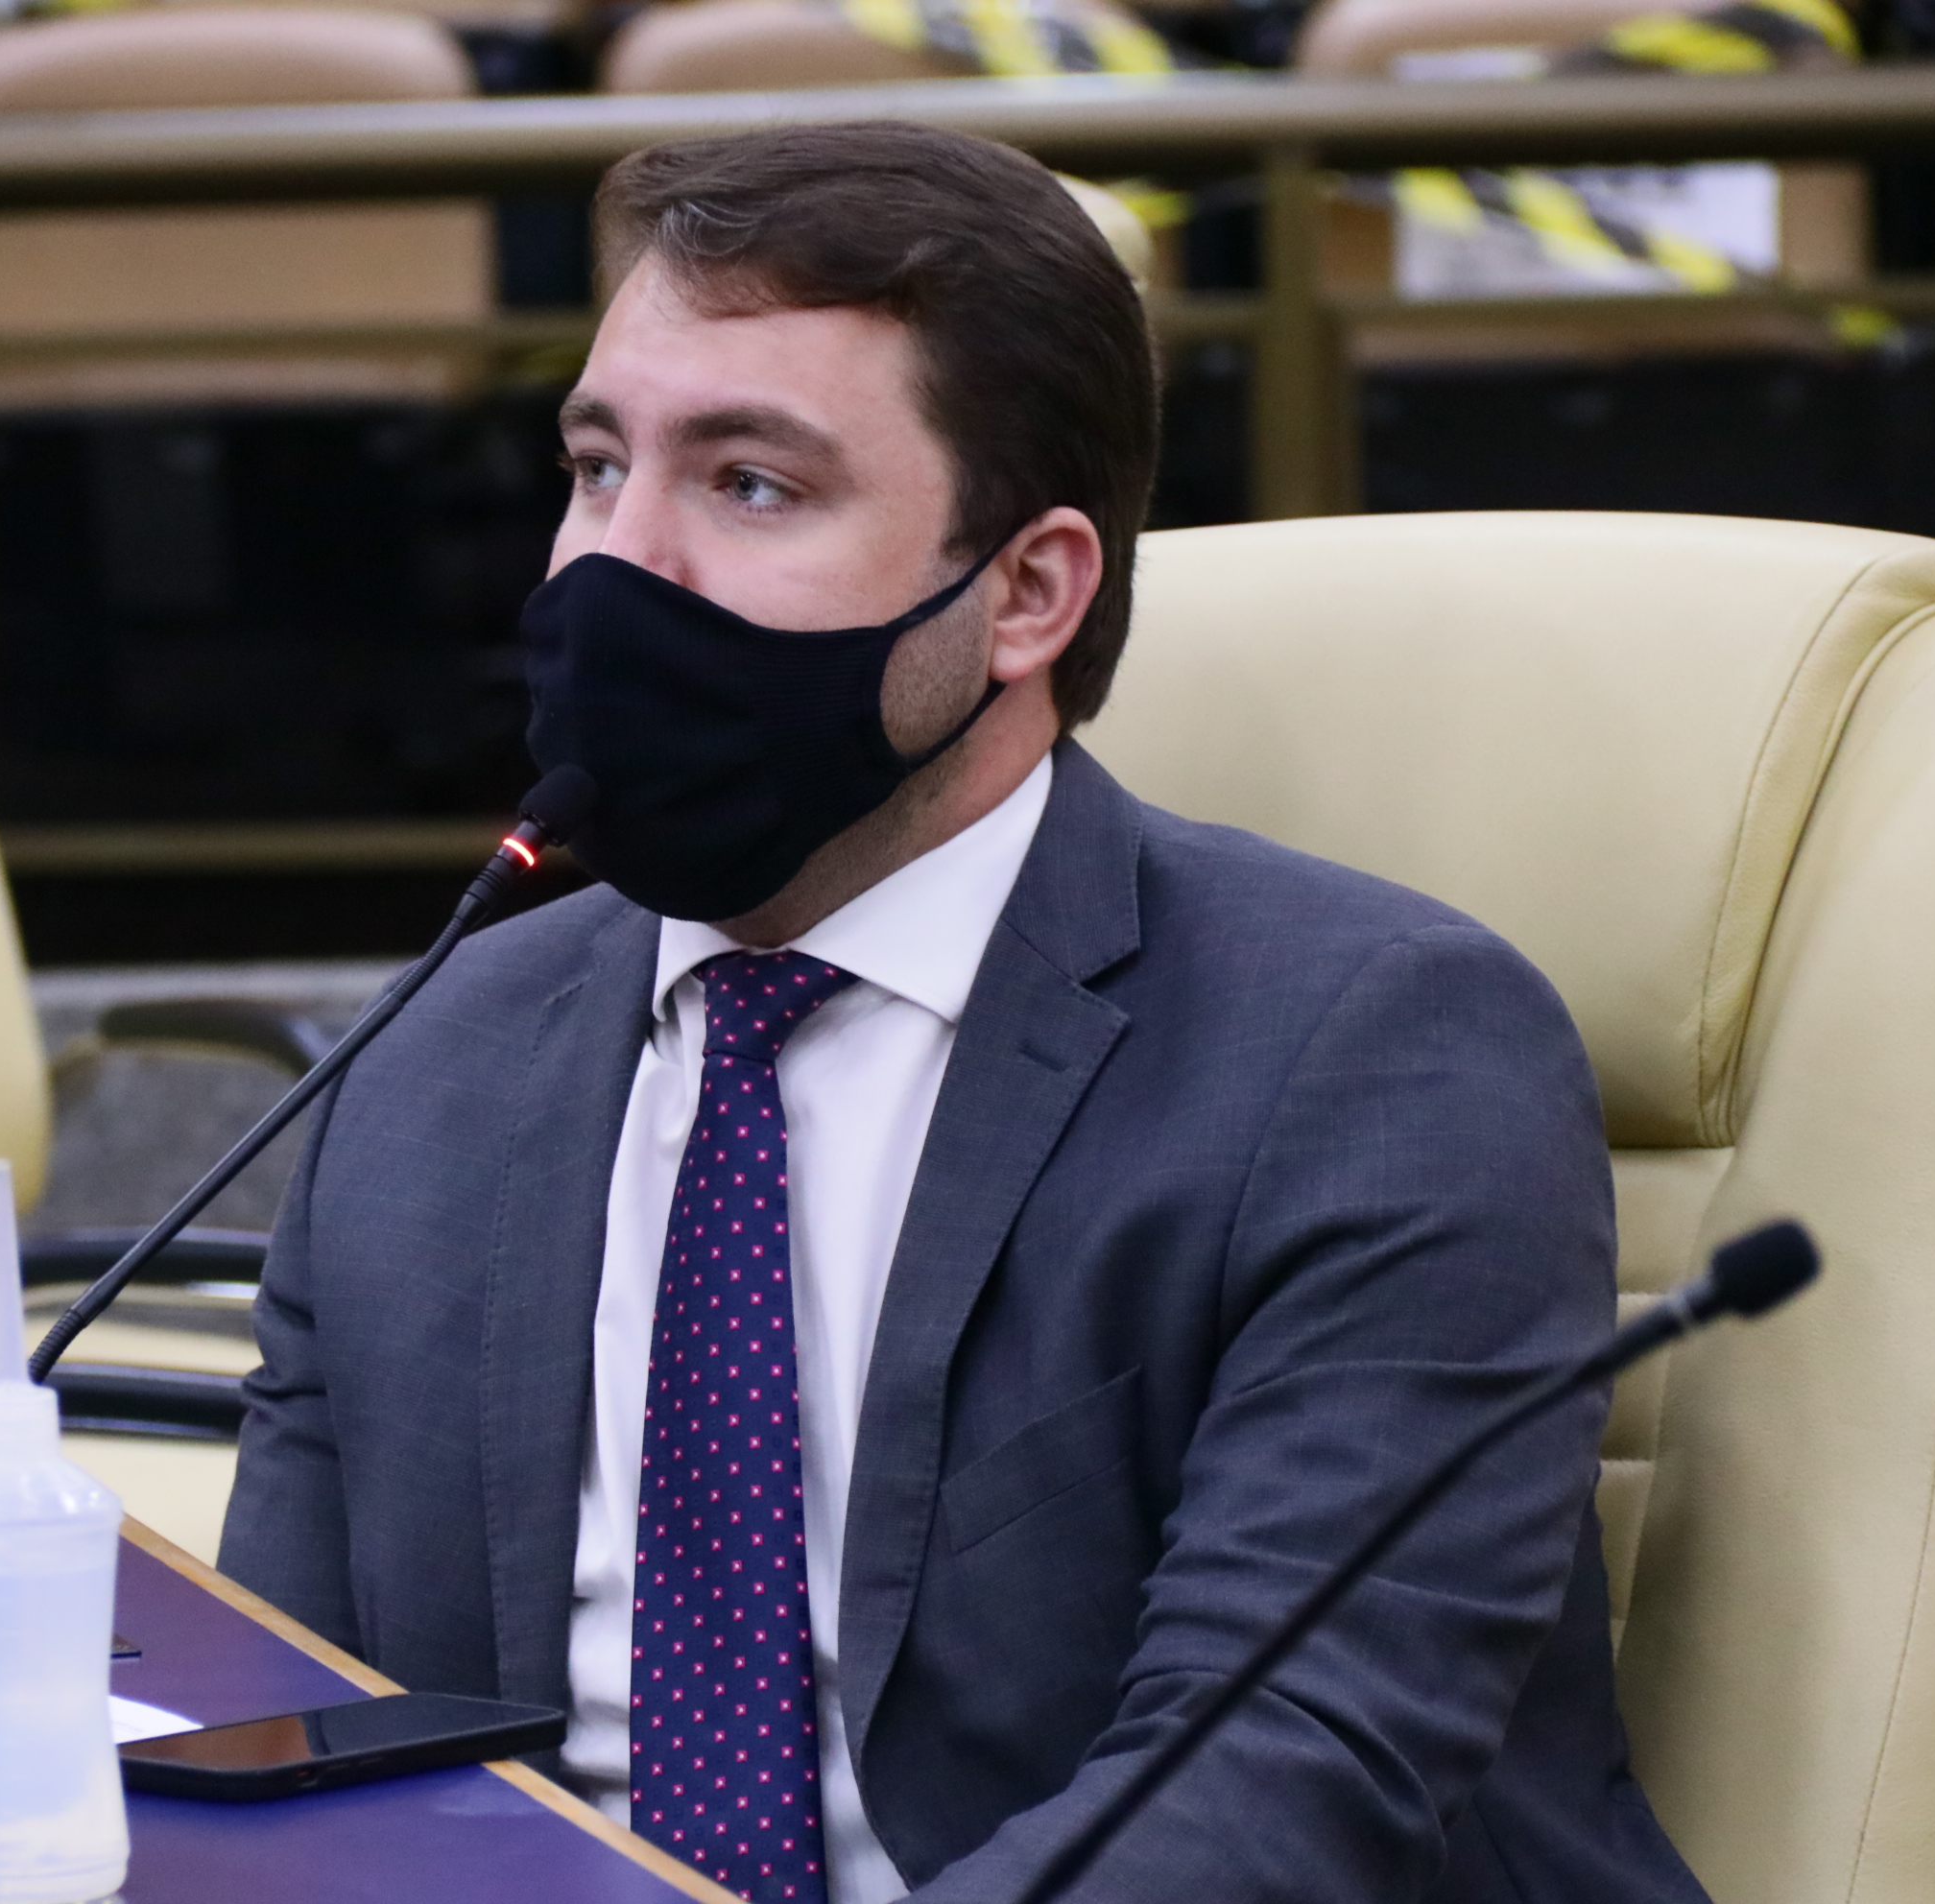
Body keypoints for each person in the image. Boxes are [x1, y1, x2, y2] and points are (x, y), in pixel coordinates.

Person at [220, 121, 1707, 1904]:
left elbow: (1287, 1782)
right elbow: (291, 1741)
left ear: (1026, 592)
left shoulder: (1382, 1055)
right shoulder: (442, 1055)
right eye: (599, 467)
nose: (618, 568)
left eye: (750, 484)